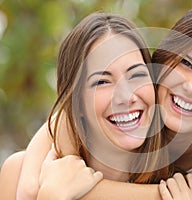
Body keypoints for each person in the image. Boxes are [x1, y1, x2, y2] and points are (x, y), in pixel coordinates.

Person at [1, 0, 192, 199]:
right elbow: (65, 117)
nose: (190, 86)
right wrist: (33, 185)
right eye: (186, 63)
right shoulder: (143, 101)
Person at [0, 12, 175, 199]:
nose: (126, 96)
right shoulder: (19, 174)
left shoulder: (183, 186)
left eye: (137, 75)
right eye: (102, 82)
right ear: (76, 103)